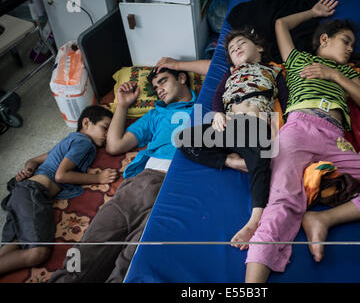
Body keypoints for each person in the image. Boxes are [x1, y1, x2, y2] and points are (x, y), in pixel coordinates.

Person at [244, 0, 360, 282]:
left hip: (335, 139)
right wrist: (313, 12)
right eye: (346, 41)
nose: (351, 49)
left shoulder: (348, 72)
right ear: (324, 39)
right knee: (281, 204)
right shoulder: (299, 59)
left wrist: (335, 76)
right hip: (298, 129)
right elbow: (281, 25)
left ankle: (322, 219)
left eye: (352, 45)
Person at [49, 59, 209, 283]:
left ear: (182, 78)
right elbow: (114, 145)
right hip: (139, 184)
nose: (159, 89)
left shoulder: (207, 105)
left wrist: (179, 64)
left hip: (176, 189)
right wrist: (122, 105)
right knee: (85, 249)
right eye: (155, 87)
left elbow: (222, 67)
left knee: (132, 262)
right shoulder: (155, 115)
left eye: (163, 81)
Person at [177, 27, 289, 250]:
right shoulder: (230, 73)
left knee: (261, 157)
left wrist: (281, 129)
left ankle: (255, 219)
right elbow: (218, 96)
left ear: (259, 47)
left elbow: (287, 104)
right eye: (231, 48)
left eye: (241, 43)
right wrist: (217, 113)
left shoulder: (273, 73)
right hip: (227, 126)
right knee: (183, 138)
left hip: (256, 126)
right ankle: (231, 161)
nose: (236, 48)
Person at [0, 105, 117, 275]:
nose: (107, 135)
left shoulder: (68, 141)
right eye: (105, 128)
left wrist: (29, 170)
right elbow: (61, 176)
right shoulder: (84, 143)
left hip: (24, 192)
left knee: (14, 245)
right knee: (37, 253)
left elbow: (32, 160)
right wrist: (98, 178)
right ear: (86, 123)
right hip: (33, 192)